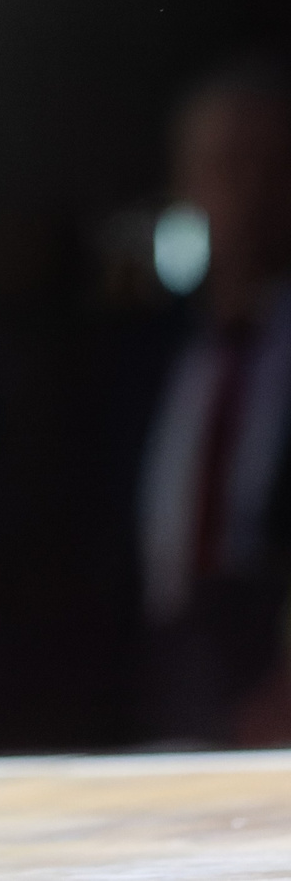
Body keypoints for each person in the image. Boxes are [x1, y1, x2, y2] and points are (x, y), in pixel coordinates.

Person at [133, 52, 291, 744]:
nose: (251, 191)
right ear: (185, 180)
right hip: (154, 665)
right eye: (226, 164)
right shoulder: (145, 344)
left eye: (275, 164)